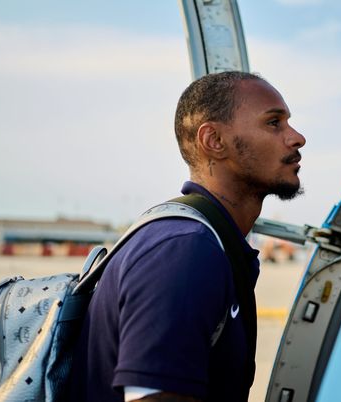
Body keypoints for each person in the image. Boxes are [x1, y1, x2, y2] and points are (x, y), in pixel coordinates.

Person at [69, 71, 306, 402]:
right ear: (214, 141)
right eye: (274, 123)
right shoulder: (185, 251)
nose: (296, 138)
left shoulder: (209, 243)